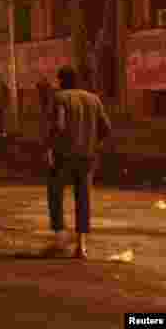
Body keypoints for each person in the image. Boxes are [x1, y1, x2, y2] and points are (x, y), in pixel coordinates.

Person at [45, 66, 111, 260]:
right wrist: (92, 143)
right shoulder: (94, 99)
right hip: (87, 157)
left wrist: (50, 147)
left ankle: (59, 238)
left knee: (55, 193)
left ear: (61, 81)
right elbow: (106, 128)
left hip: (64, 156)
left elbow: (59, 126)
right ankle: (81, 247)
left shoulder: (60, 98)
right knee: (83, 198)